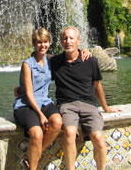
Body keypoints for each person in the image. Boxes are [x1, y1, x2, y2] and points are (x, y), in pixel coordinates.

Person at [13, 28, 91, 170]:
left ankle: (34, 156)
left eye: (45, 42)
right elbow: (29, 94)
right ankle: (33, 167)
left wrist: (84, 50)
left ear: (49, 43)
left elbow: (71, 54)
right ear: (34, 44)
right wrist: (41, 115)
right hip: (26, 104)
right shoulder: (27, 64)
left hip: (44, 101)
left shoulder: (50, 60)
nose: (42, 45)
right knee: (36, 134)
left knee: (57, 122)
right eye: (39, 42)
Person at [50, 26, 122, 170]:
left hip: (88, 105)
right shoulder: (55, 62)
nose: (68, 41)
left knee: (98, 138)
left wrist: (106, 108)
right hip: (67, 105)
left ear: (78, 41)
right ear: (60, 41)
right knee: (70, 132)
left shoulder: (90, 60)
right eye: (65, 38)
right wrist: (22, 89)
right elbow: (37, 64)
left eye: (71, 38)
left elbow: (97, 86)